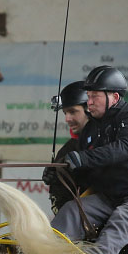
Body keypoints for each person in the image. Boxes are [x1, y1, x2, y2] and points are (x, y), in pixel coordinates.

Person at [49, 65, 128, 254]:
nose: (89, 102)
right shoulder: (92, 128)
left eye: (95, 96)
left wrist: (83, 159)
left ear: (114, 97)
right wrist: (58, 173)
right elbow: (86, 170)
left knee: (123, 216)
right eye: (88, 96)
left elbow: (124, 148)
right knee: (72, 210)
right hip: (111, 196)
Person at [42, 81, 90, 214]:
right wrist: (54, 176)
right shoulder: (67, 149)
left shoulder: (108, 141)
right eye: (65, 113)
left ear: (89, 109)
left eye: (73, 112)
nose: (67, 119)